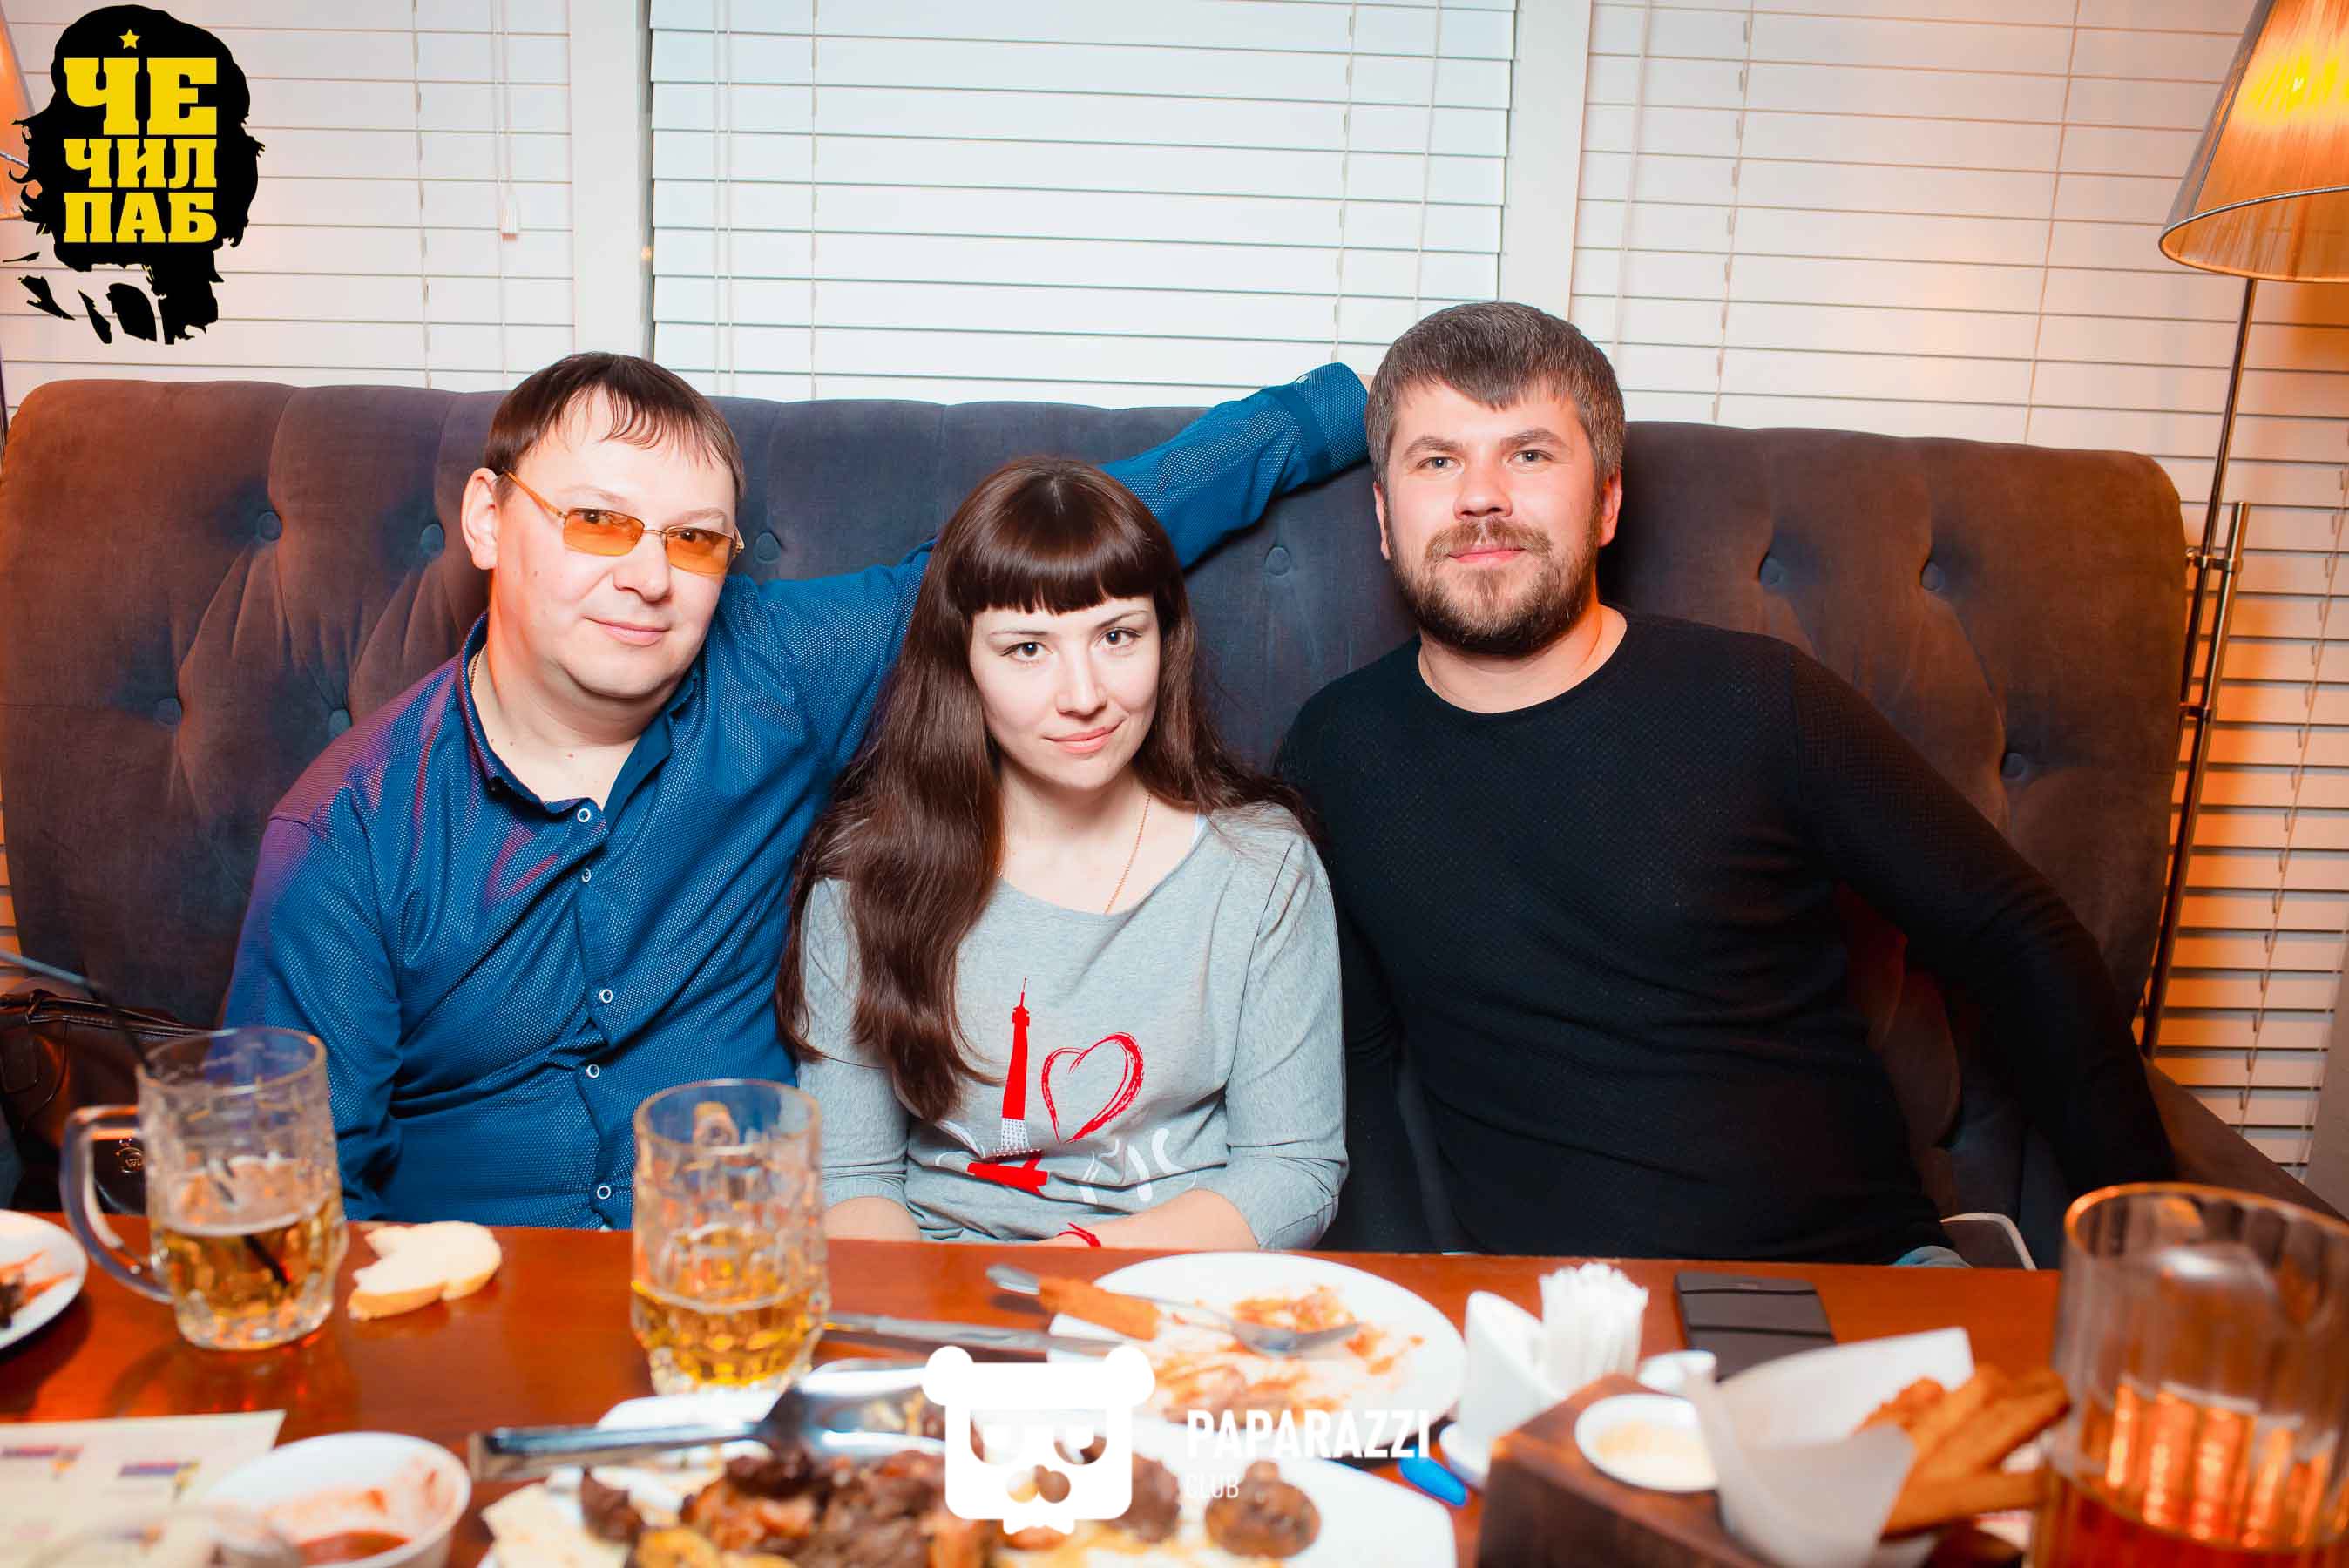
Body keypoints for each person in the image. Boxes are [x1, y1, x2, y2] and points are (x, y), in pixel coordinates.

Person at [224, 353, 1366, 1227]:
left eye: (694, 539)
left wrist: (1344, 410)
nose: (648, 576)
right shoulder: (345, 834)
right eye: (597, 521)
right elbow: (292, 1194)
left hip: (748, 1273)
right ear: (486, 517)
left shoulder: (774, 669)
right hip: (486, 1293)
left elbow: (1046, 569)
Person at [1276, 301, 2174, 1264]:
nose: (1481, 497)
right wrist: (1413, 1290)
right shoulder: (1335, 752)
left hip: (1849, 1285)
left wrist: (2155, 1257)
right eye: (1437, 461)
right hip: (1551, 1316)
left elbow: (2015, 935)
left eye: (1529, 454)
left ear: (1606, 503)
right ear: (1385, 518)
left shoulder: (1761, 701)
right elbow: (1356, 1060)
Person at [779, 458, 1345, 1251]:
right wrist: (929, 1311)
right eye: (1027, 649)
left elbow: (1292, 1168)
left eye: (1117, 636)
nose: (1083, 696)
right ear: (962, 665)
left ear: (1166, 639)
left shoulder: (1261, 865)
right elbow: (851, 1180)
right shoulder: (866, 874)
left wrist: (1069, 1279)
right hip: (939, 1290)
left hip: (1175, 1282)